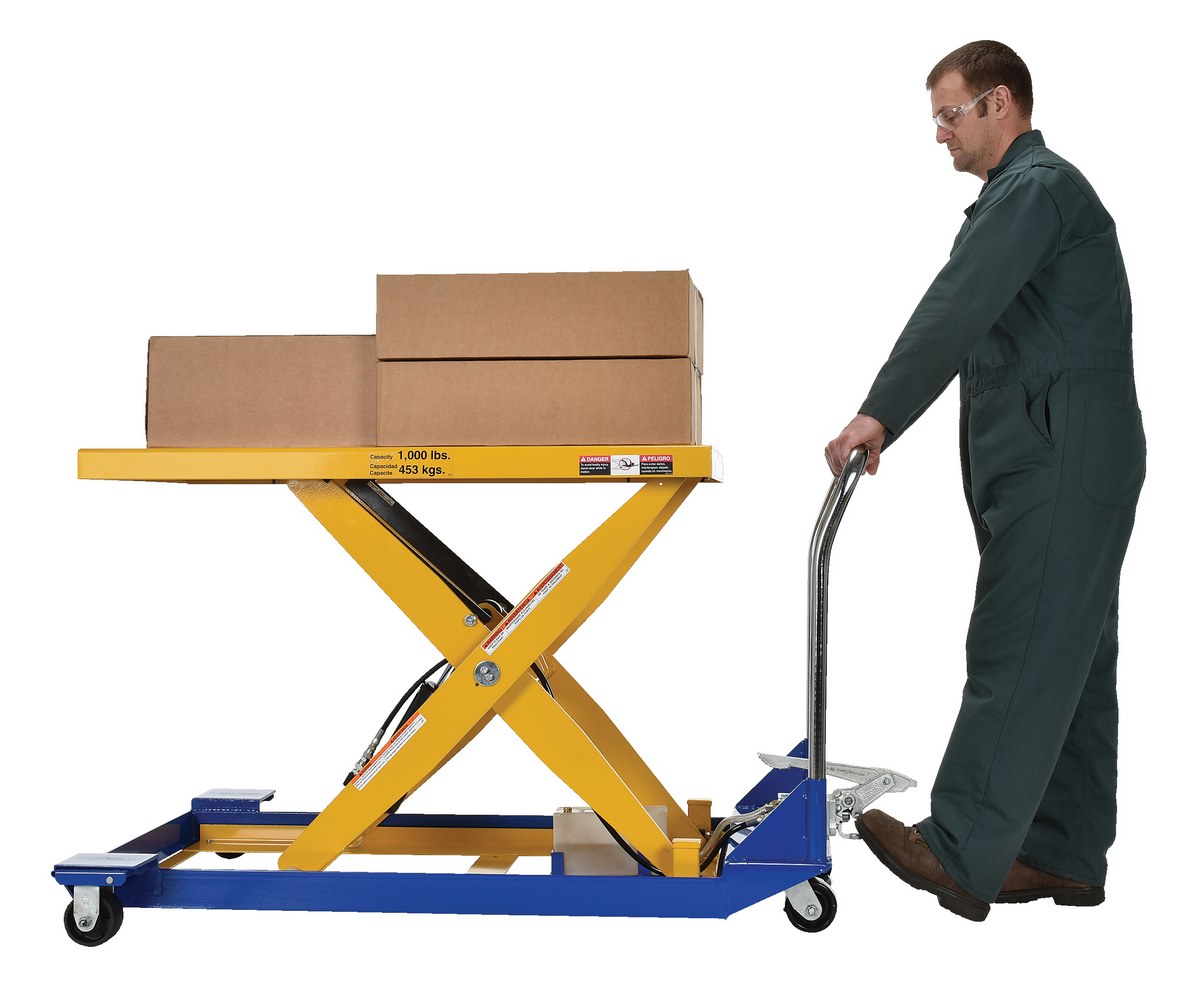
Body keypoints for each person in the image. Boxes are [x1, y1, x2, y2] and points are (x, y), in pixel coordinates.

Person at [824, 40, 1145, 922]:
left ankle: (962, 850)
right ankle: (1060, 852)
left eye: (949, 114)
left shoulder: (1036, 190)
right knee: (1072, 657)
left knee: (1019, 645)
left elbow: (957, 306)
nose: (940, 134)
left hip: (1062, 460)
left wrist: (879, 412)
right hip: (1065, 457)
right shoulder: (1026, 197)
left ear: (999, 103)